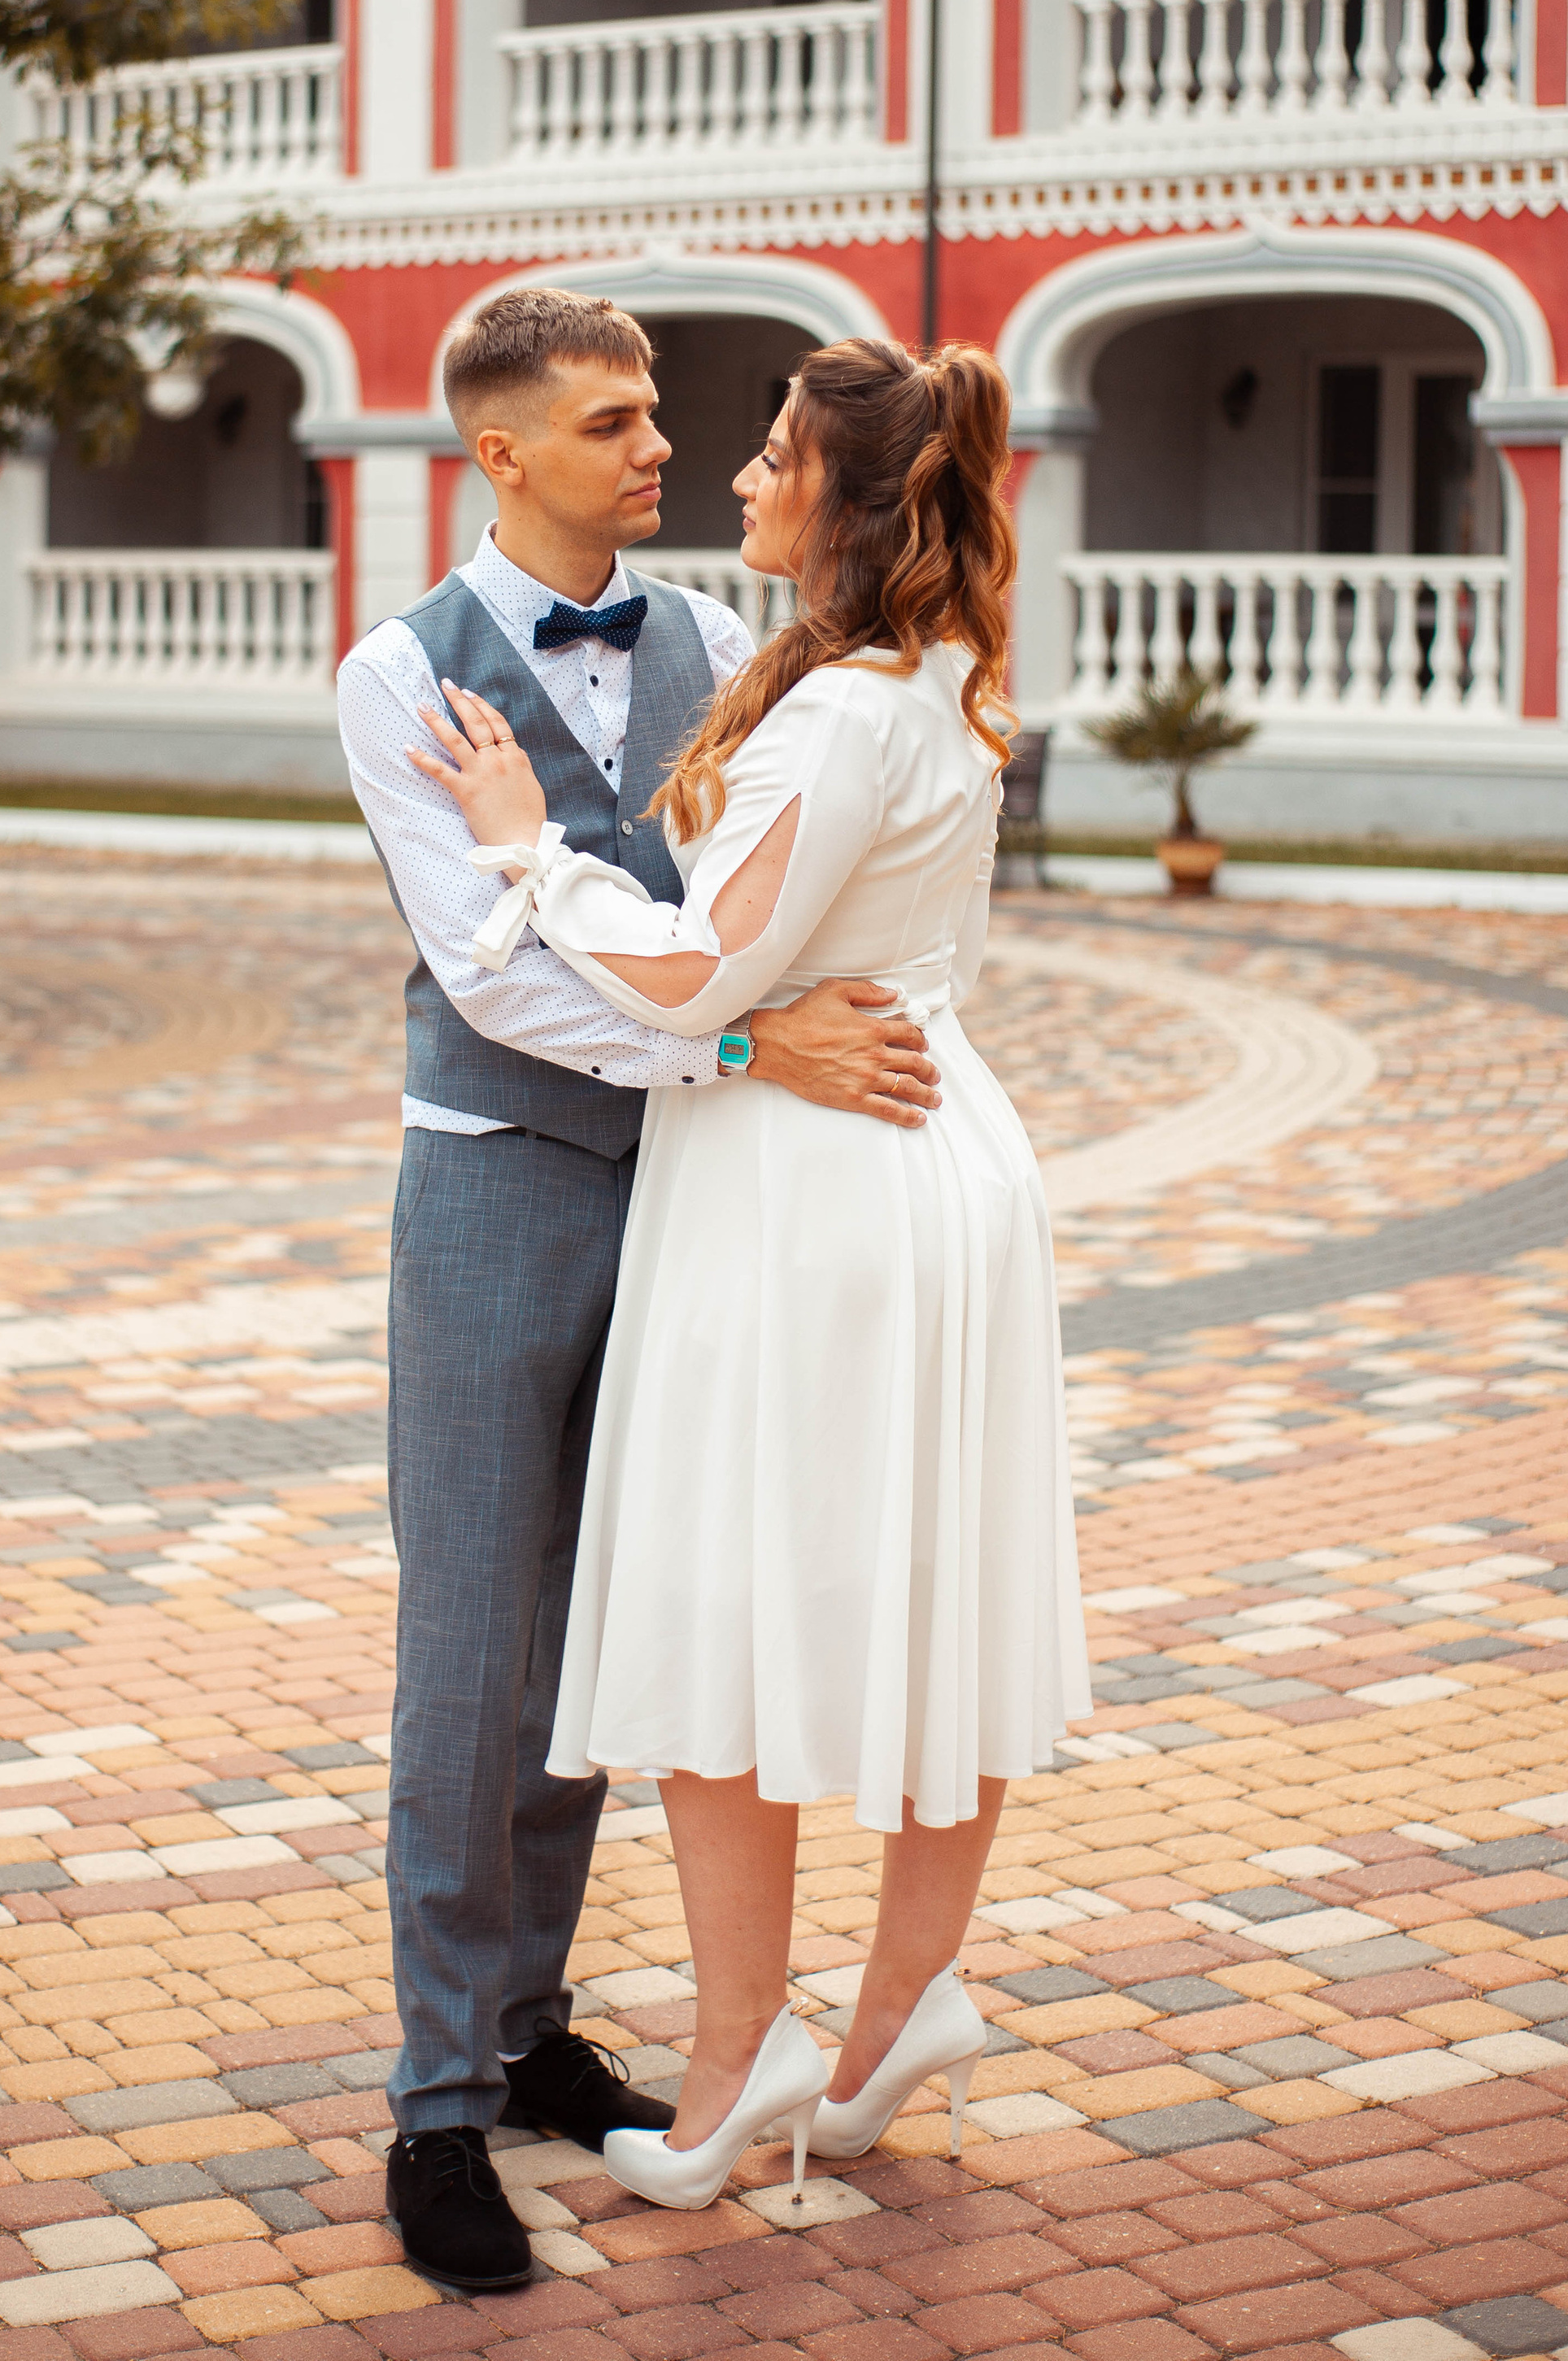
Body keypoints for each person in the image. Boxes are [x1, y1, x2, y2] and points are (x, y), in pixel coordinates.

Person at [409, 335, 1091, 2213]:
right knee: (927, 1604)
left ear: (840, 502)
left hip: (807, 1190)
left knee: (728, 1610)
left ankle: (733, 2074)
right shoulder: (947, 682)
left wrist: (529, 858)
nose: (726, 474)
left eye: (770, 452)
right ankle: (892, 2014)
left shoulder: (833, 710)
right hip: (940, 1153)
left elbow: (694, 978)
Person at [336, 290, 951, 2290]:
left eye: (658, 417)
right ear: (500, 452)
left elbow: (745, 916)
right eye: (610, 424)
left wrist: (745, 1044)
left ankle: (528, 2038)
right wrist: (749, 1052)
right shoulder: (397, 675)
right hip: (500, 1189)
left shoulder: (717, 640)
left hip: (700, 1196)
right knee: (473, 1653)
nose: (656, 449)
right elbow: (496, 968)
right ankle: (437, 2104)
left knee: (613, 1632)